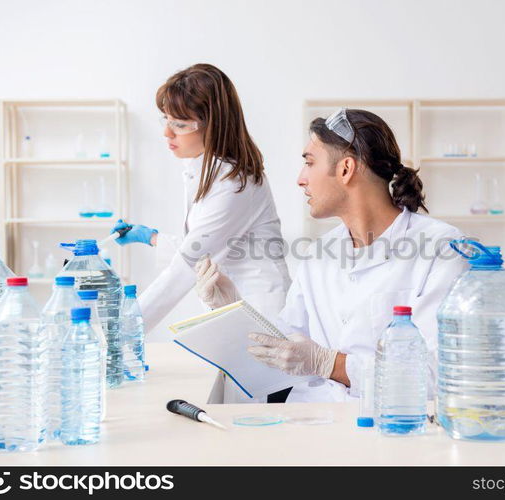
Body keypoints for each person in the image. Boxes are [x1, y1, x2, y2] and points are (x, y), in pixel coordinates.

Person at [196, 108, 467, 403]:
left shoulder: (441, 249)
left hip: (390, 427)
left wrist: (333, 365)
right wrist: (233, 310)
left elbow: (439, 375)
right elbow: (286, 351)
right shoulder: (319, 255)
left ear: (346, 169)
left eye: (309, 163)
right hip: (311, 424)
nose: (301, 179)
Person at [112, 64, 291, 402]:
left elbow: (185, 267)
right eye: (165, 120)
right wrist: (150, 237)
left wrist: (122, 332)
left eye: (179, 125)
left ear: (214, 125)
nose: (167, 134)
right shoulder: (205, 169)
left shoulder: (234, 182)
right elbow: (208, 243)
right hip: (234, 314)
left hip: (259, 314)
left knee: (253, 427)